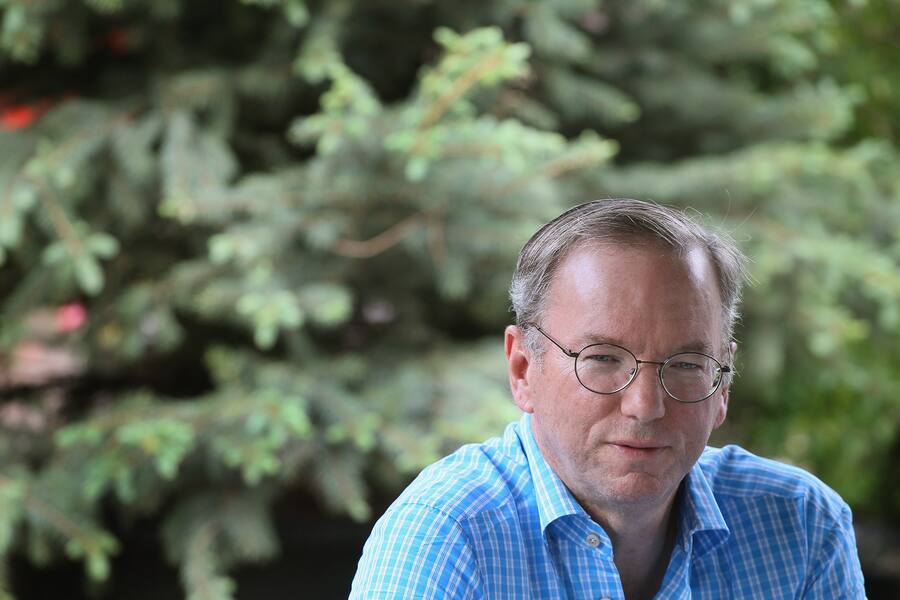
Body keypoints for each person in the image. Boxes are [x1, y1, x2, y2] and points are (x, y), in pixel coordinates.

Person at [350, 198, 866, 599]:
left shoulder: (800, 523)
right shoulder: (443, 537)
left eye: (686, 365)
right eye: (601, 358)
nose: (645, 406)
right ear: (523, 368)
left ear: (723, 382)